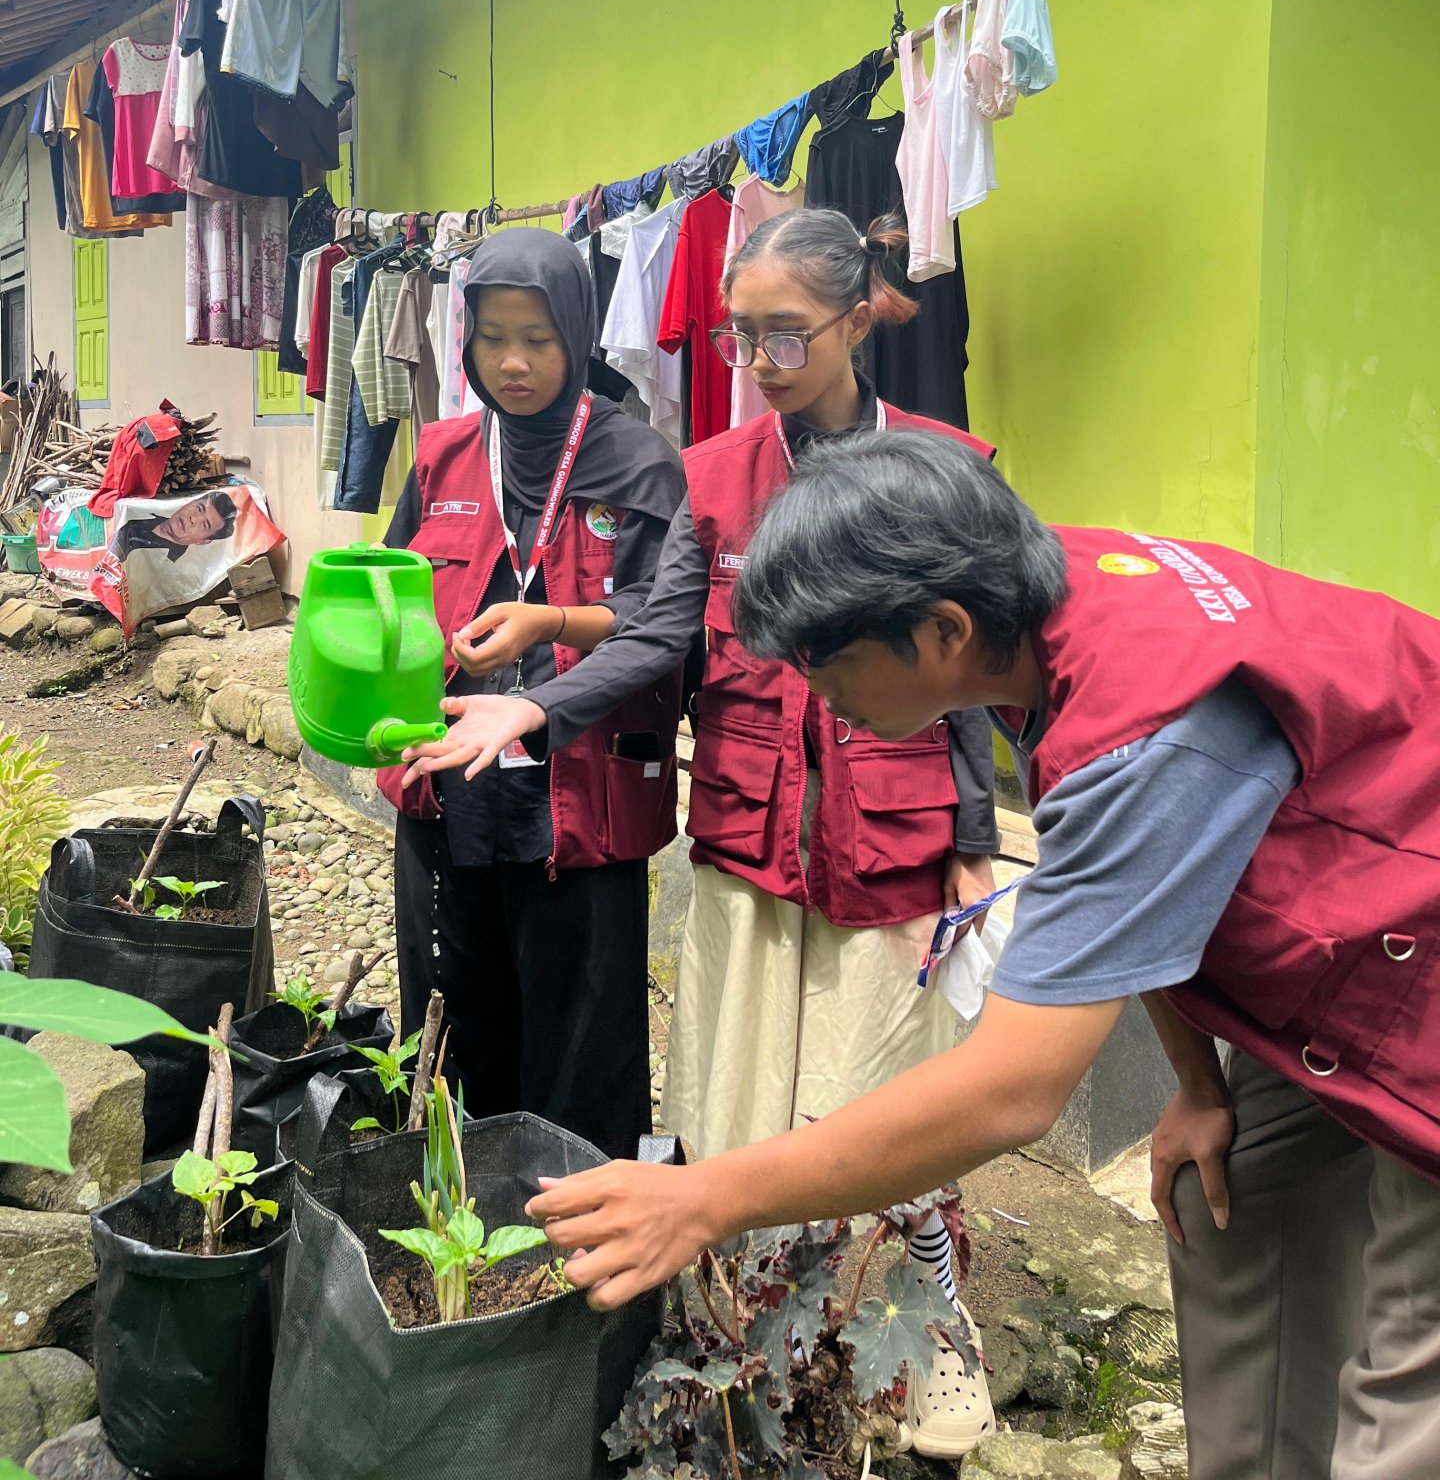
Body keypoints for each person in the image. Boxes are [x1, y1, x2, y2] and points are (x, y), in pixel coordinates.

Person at [515, 429, 1440, 1480]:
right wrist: (1192, 1082)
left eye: (828, 662)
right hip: (1339, 953)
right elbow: (1148, 887)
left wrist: (705, 1199)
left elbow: (1011, 1093)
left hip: (1418, 975)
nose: (817, 695)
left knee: (1412, 1378)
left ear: (942, 630)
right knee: (1231, 1201)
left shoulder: (1142, 724)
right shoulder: (1039, 598)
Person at [403, 210, 1003, 1459]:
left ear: (860, 317)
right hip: (745, 832)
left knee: (874, 1102)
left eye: (788, 333)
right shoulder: (714, 474)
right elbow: (663, 633)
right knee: (733, 1108)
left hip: (893, 845)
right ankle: (755, 1340)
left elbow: (982, 662)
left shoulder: (949, 465)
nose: (766, 360)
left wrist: (975, 829)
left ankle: (918, 1339)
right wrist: (551, 659)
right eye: (742, 336)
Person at [378, 229, 686, 1162]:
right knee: (454, 1018)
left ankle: (579, 1246)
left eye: (540, 340)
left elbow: (665, 621)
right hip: (453, 786)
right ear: (464, 341)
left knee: (581, 1037)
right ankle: (462, 1229)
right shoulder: (439, 458)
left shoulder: (641, 465)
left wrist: (549, 620)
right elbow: (389, 595)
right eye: (493, 338)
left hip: (577, 792)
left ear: (580, 337)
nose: (514, 363)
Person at [111, 490, 237, 560]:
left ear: (203, 541)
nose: (193, 519)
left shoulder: (169, 562)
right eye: (199, 509)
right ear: (188, 502)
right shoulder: (146, 509)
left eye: (204, 525)